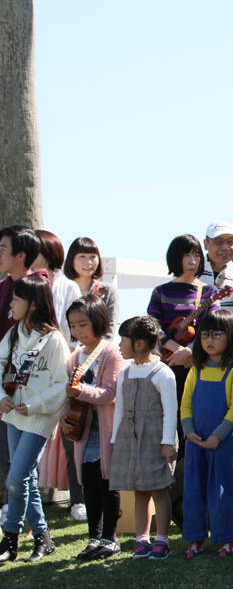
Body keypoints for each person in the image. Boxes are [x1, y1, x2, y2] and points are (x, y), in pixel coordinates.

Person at [0, 275, 72, 564]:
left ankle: (10, 538)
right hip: (14, 416)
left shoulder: (54, 339)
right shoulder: (14, 334)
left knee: (16, 478)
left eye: (17, 299)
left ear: (32, 303)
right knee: (25, 478)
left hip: (39, 418)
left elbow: (61, 383)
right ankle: (42, 538)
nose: (11, 303)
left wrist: (36, 404)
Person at [109, 316, 178, 561]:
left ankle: (162, 540)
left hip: (156, 439)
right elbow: (119, 409)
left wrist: (167, 442)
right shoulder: (125, 373)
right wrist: (116, 440)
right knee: (139, 492)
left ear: (139, 344)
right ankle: (142, 539)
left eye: (123, 341)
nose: (119, 346)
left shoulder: (163, 373)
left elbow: (171, 410)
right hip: (130, 438)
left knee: (159, 489)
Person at [65, 295, 127, 561]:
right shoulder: (76, 354)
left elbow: (110, 393)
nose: (77, 331)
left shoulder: (110, 351)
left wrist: (81, 392)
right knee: (89, 482)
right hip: (83, 429)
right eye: (73, 325)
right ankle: (94, 536)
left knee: (107, 483)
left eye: (82, 324)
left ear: (99, 321)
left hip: (106, 429)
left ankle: (110, 538)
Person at [181, 309, 233, 559]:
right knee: (194, 490)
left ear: (230, 337)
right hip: (196, 441)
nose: (209, 340)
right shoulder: (194, 371)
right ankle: (196, 538)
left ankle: (227, 538)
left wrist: (217, 436)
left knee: (223, 490)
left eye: (216, 334)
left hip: (223, 443)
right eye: (205, 334)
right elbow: (185, 404)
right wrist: (189, 432)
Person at [31, 230, 86, 522]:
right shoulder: (26, 284)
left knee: (70, 433)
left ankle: (78, 499)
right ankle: (26, 500)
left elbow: (74, 330)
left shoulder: (67, 287)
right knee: (30, 433)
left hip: (63, 365)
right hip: (32, 370)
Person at [148, 234, 217, 450]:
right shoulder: (161, 292)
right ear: (176, 257)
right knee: (170, 418)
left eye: (196, 255)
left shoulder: (207, 292)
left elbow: (212, 328)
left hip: (196, 365)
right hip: (167, 365)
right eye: (187, 255)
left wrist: (189, 352)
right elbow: (152, 326)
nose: (192, 260)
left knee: (196, 420)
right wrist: (175, 348)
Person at [0, 226, 41, 519]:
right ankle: (24, 520)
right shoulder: (3, 286)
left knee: (21, 463)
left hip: (27, 385)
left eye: (3, 248)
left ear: (21, 254)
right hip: (3, 381)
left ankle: (24, 521)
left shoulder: (37, 287)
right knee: (8, 456)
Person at [64, 237, 120, 337]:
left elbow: (109, 330)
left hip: (99, 350)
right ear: (71, 260)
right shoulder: (63, 289)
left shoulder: (108, 291)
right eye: (82, 256)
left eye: (93, 257)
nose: (89, 262)